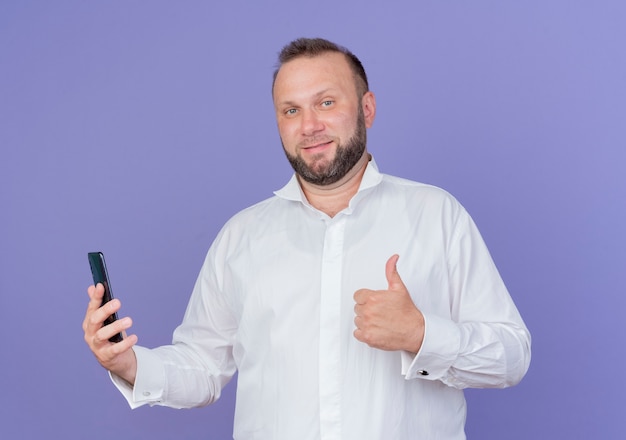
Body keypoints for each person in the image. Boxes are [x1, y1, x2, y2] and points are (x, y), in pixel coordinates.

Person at [83, 37, 531, 439]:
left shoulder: (437, 216)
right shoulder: (242, 237)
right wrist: (126, 364)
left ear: (367, 108)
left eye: (327, 103)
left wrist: (421, 333)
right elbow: (201, 368)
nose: (309, 125)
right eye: (291, 110)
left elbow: (512, 357)